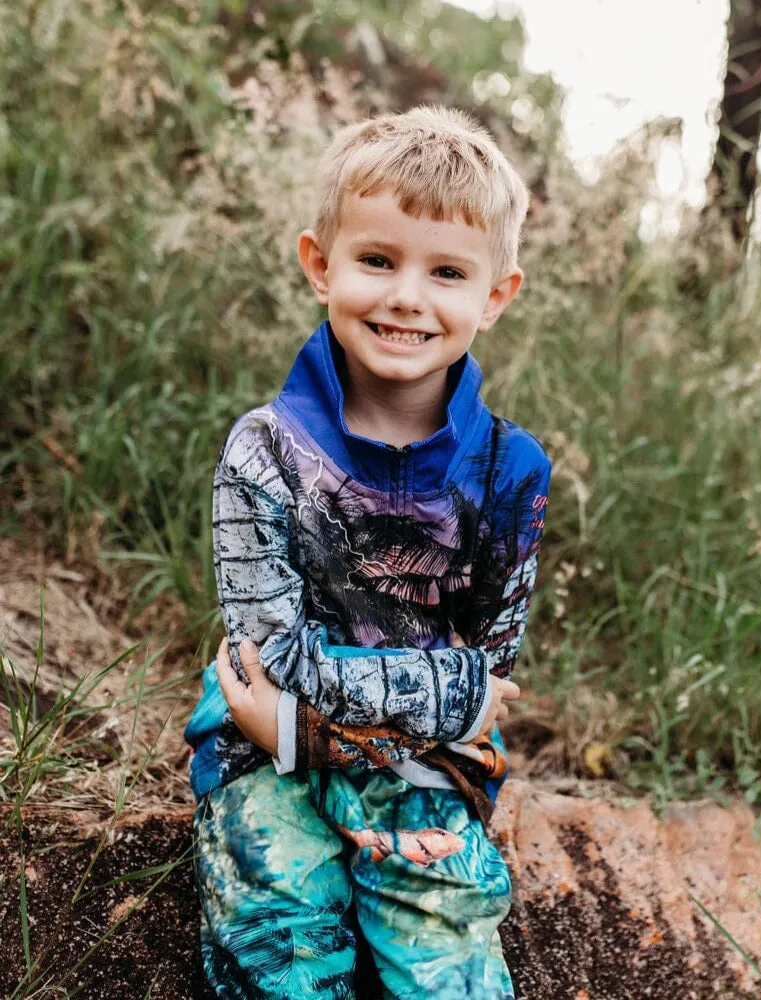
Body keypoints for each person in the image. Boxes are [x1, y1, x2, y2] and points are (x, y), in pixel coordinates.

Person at [183, 105, 551, 1000]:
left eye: (448, 272)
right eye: (378, 259)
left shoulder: (511, 473)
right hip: (256, 748)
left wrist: (318, 722)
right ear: (321, 264)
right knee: (279, 940)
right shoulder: (263, 453)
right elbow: (272, 663)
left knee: (451, 963)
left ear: (494, 296)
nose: (406, 297)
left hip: (422, 766)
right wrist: (441, 695)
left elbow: (488, 670)